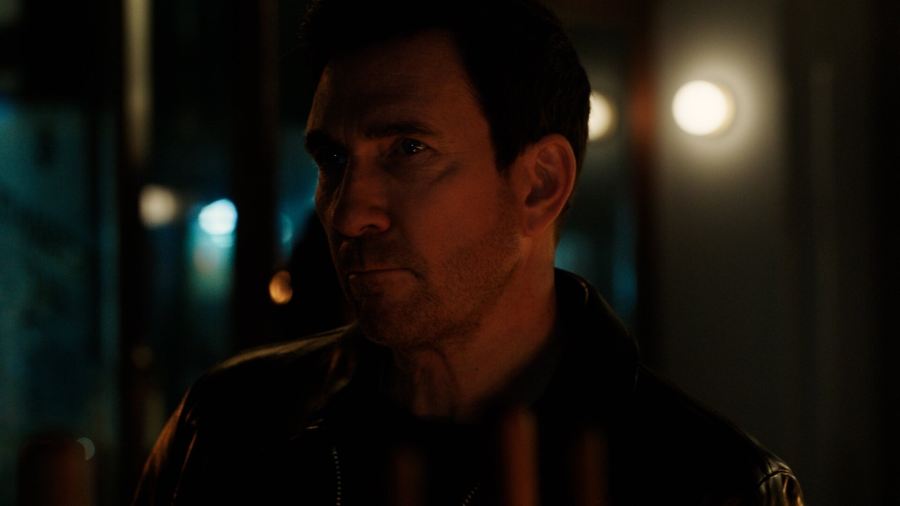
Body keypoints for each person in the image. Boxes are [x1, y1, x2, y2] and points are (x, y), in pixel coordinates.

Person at [133, 0, 804, 504]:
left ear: (539, 185)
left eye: (408, 150)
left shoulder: (712, 484)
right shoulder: (229, 429)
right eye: (333, 159)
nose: (347, 212)